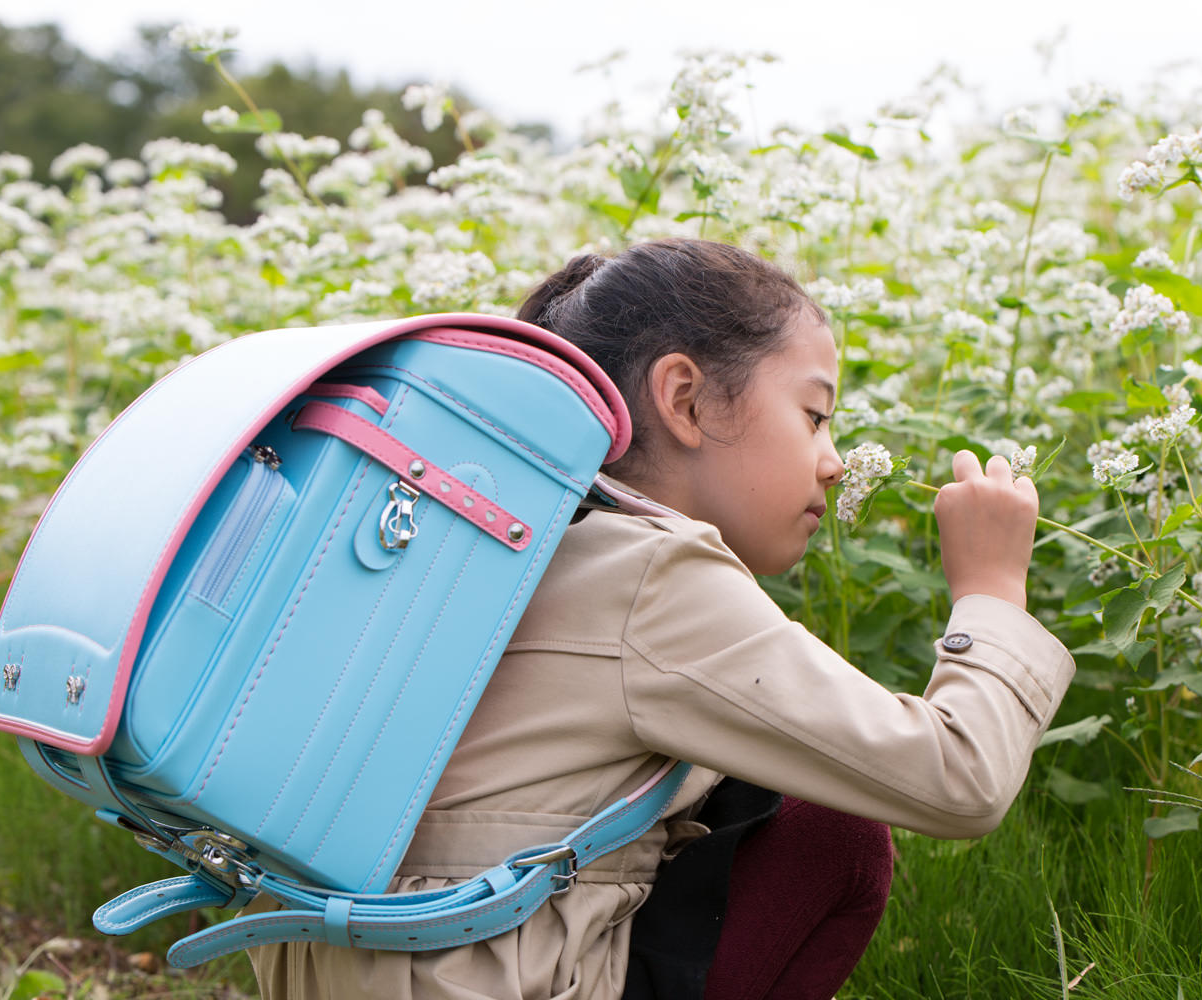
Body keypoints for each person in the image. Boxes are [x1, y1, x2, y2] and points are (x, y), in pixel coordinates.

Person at [245, 238, 1075, 1000]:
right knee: (834, 830)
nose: (831, 461)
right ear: (684, 399)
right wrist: (993, 589)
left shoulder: (495, 539)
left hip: (334, 969)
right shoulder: (650, 574)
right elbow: (959, 782)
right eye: (815, 415)